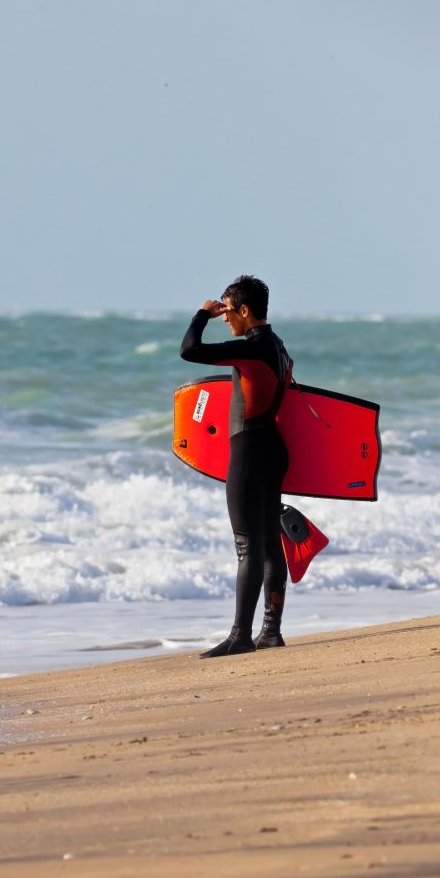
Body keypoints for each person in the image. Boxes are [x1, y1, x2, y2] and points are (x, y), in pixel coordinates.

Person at [179, 275, 292, 658]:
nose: (224, 317)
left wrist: (201, 314)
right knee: (270, 544)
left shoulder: (252, 347)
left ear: (245, 310)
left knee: (247, 547)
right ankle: (270, 631)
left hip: (249, 452)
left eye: (228, 310)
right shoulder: (277, 346)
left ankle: (240, 635)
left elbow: (189, 351)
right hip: (273, 448)